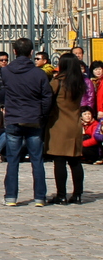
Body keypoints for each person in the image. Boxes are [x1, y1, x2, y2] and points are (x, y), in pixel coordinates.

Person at [1, 37, 53, 207]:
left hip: (14, 118)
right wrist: (42, 114)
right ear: (31, 53)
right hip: (33, 118)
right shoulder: (39, 73)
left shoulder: (6, 71)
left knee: (13, 160)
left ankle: (11, 197)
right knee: (36, 159)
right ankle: (39, 197)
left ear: (14, 52)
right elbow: (47, 97)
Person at [45, 53, 86, 205]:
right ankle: (77, 194)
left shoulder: (58, 82)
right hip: (74, 123)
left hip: (59, 124)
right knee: (75, 161)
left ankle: (61, 194)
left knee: (60, 161)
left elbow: (47, 97)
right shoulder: (79, 82)